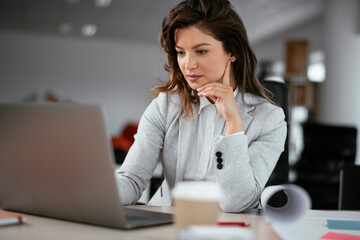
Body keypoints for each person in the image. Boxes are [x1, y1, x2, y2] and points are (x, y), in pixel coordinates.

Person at [115, 0, 287, 213]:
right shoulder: (166, 106)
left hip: (231, 230)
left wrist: (233, 124)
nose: (188, 64)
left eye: (201, 51)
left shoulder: (270, 119)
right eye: (181, 52)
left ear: (232, 51)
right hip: (168, 225)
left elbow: (236, 202)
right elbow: (132, 180)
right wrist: (94, 192)